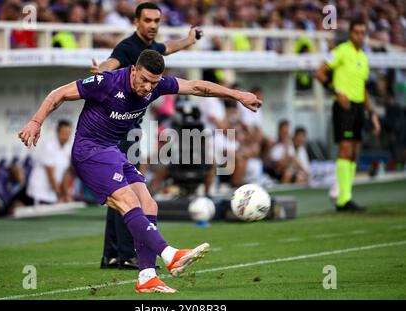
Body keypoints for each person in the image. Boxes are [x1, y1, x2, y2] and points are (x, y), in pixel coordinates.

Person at [18, 49, 261, 293]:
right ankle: (169, 254)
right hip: (89, 151)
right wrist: (36, 122)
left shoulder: (157, 86)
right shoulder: (107, 82)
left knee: (149, 205)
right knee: (128, 201)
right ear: (133, 70)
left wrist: (238, 95)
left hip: (112, 151)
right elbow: (58, 94)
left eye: (153, 82)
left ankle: (146, 276)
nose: (147, 87)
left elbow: (198, 87)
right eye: (143, 79)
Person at [90, 2, 203, 271]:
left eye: (157, 20)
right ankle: (126, 254)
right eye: (148, 20)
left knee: (117, 192)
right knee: (128, 192)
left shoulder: (150, 51)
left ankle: (113, 255)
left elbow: (169, 48)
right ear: (136, 22)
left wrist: (188, 39)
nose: (153, 25)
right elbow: (112, 61)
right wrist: (103, 71)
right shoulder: (128, 47)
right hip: (118, 131)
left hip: (130, 128)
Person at [315, 17, 381, 211]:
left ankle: (346, 195)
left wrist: (372, 112)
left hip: (359, 107)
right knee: (345, 149)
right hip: (344, 107)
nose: (360, 36)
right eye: (357, 32)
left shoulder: (363, 57)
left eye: (363, 33)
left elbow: (362, 90)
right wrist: (335, 91)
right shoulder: (341, 51)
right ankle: (343, 200)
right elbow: (319, 73)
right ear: (350, 33)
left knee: (354, 153)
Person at [25, 120, 73, 205]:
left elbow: (66, 174)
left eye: (68, 133)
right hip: (39, 193)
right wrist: (59, 195)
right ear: (58, 132)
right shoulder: (49, 146)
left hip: (52, 194)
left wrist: (67, 194)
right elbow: (50, 175)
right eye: (64, 133)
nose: (66, 136)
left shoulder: (68, 148)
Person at [268, 120, 308, 184]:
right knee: (288, 174)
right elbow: (280, 164)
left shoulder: (290, 144)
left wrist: (305, 172)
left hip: (287, 170)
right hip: (275, 172)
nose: (286, 134)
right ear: (279, 131)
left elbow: (294, 160)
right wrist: (286, 147)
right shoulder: (275, 144)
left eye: (287, 132)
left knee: (301, 178)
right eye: (284, 132)